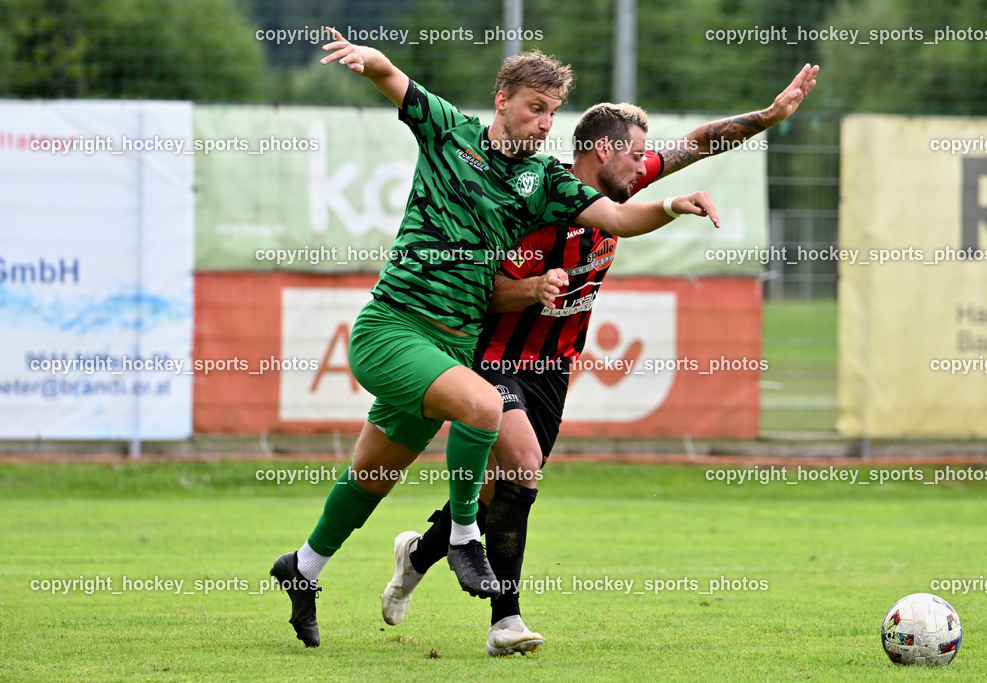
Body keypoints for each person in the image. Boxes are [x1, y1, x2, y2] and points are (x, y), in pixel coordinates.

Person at [269, 28, 722, 649]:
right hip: (393, 327)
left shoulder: (543, 181)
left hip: (453, 347)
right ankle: (463, 538)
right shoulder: (449, 132)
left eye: (553, 112)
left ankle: (303, 567)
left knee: (372, 475)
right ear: (502, 99)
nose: (544, 123)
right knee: (484, 406)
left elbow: (618, 217)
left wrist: (671, 206)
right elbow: (392, 79)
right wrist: (369, 59)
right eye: (535, 107)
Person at [379, 65, 819, 656]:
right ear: (604, 152)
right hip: (492, 356)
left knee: (504, 492)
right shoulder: (537, 198)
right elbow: (477, 293)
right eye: (636, 157)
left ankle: (419, 554)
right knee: (522, 465)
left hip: (551, 371)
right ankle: (505, 622)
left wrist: (768, 116)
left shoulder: (618, 188)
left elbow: (694, 145)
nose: (644, 167)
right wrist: (531, 289)